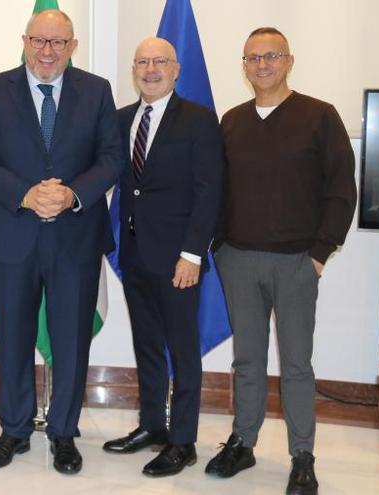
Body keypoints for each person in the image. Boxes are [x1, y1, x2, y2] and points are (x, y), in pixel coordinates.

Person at [0, 9, 122, 474]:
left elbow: (112, 158)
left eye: (58, 43)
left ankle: (63, 433)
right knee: (13, 336)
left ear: (73, 47)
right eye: (39, 41)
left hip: (75, 237)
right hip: (13, 235)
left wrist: (72, 194)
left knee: (71, 341)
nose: (47, 51)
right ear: (25, 41)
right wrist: (25, 194)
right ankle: (13, 430)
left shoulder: (96, 91)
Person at [205, 28, 356, 495]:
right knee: (246, 360)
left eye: (271, 56)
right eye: (252, 57)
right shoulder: (230, 121)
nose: (262, 64)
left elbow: (341, 190)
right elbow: (214, 190)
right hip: (239, 261)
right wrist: (219, 247)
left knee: (296, 364)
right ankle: (243, 443)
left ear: (289, 61)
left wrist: (319, 254)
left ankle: (302, 455)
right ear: (244, 66)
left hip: (296, 264)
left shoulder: (320, 117)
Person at [101, 37, 223, 477]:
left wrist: (192, 254)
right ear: (134, 69)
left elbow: (209, 193)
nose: (150, 69)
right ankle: (152, 425)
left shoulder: (199, 120)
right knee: (147, 346)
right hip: (133, 257)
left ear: (176, 69)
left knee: (183, 351)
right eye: (142, 62)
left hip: (178, 262)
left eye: (159, 62)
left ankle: (183, 441)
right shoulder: (120, 120)